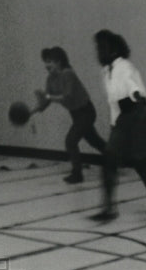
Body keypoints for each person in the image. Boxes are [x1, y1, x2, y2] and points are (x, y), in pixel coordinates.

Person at [92, 29, 146, 222]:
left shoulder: (125, 67)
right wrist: (114, 126)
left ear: (112, 49)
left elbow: (133, 87)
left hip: (135, 116)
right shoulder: (106, 71)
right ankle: (109, 208)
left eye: (102, 47)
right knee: (110, 161)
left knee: (140, 162)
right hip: (120, 121)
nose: (98, 51)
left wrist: (135, 94)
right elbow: (113, 102)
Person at [33, 47, 106, 183]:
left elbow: (67, 97)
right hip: (76, 114)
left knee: (71, 141)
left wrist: (47, 96)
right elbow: (46, 101)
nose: (46, 65)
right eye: (45, 62)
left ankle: (77, 174)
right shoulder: (50, 79)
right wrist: (31, 111)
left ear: (59, 62)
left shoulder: (68, 74)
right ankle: (116, 158)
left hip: (86, 112)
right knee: (94, 140)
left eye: (50, 61)